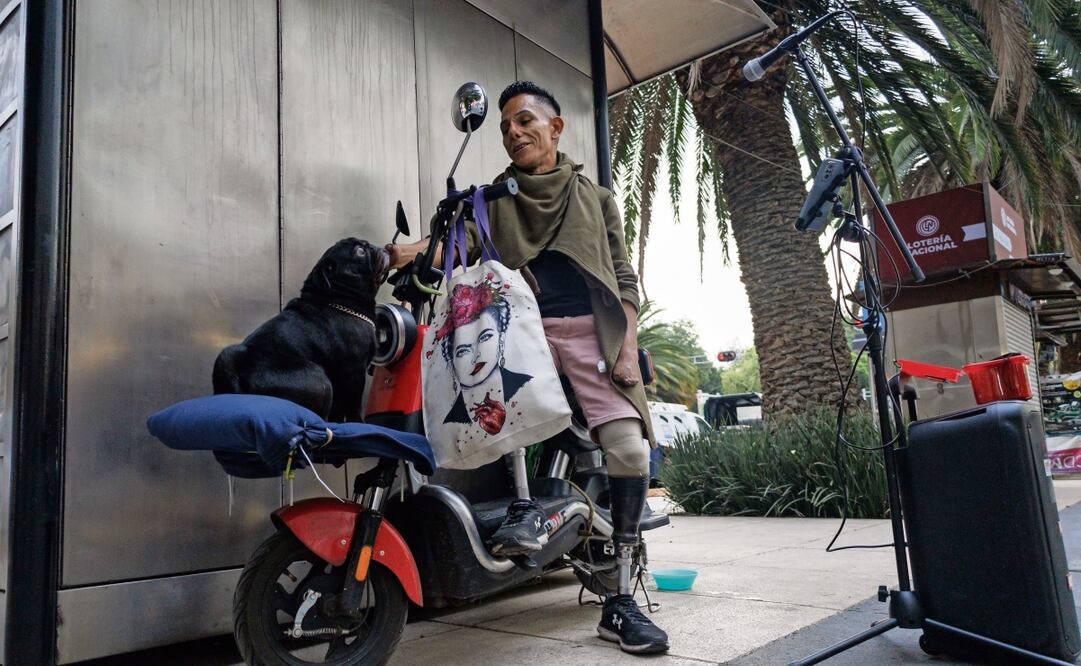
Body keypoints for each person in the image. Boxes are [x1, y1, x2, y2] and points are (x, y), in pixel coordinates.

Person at [387, 80, 668, 655]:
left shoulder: (595, 197)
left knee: (631, 451)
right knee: (496, 399)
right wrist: (393, 255)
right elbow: (446, 247)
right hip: (520, 338)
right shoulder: (491, 201)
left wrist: (626, 347)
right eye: (505, 126)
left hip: (594, 335)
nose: (513, 132)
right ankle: (523, 508)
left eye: (524, 121)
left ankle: (621, 597)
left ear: (555, 127)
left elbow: (624, 278)